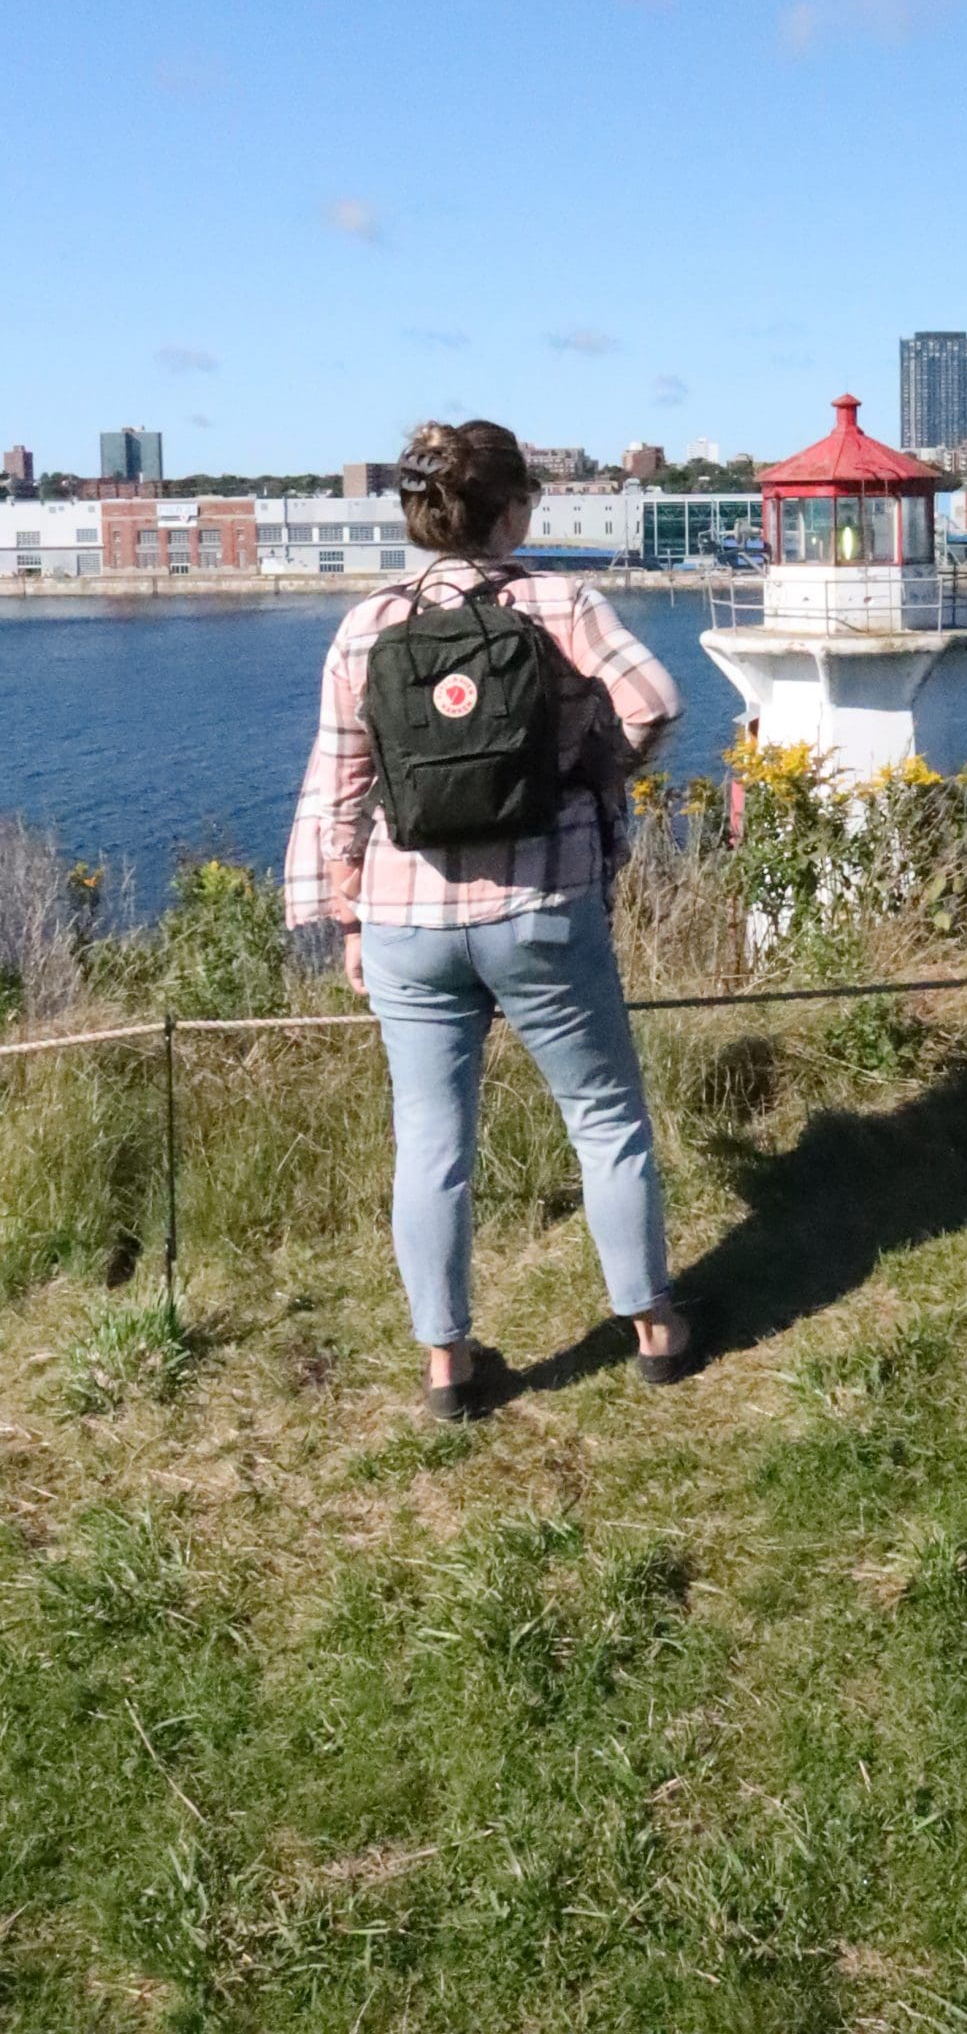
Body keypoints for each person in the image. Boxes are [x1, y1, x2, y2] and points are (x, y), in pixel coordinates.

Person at [284, 418, 692, 1414]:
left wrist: (343, 919)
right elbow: (658, 702)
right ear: (511, 512)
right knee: (603, 1119)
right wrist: (591, 768)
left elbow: (339, 788)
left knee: (430, 1139)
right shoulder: (558, 602)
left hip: (404, 918)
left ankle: (448, 1367)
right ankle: (653, 1327)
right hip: (540, 904)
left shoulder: (367, 623)